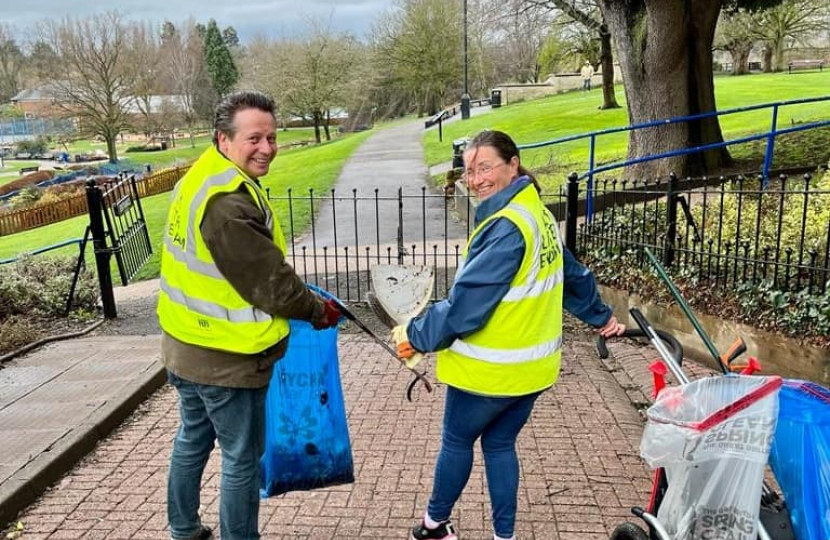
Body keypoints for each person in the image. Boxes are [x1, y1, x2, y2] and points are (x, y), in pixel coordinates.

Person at [392, 130, 625, 540]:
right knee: (499, 446)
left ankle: (433, 526)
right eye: (469, 171)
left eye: (485, 167)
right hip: (531, 372)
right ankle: (504, 536)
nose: (477, 179)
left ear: (513, 163)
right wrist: (601, 317)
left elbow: (465, 309)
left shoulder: (506, 228)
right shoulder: (535, 214)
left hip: (488, 373)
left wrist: (416, 333)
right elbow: (574, 275)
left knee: (456, 442)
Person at [156, 90, 341, 540]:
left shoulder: (204, 175)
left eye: (272, 137)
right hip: (227, 358)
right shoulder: (228, 205)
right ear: (224, 139)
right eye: (254, 138)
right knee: (241, 456)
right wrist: (317, 310)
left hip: (186, 346)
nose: (267, 148)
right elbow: (271, 285)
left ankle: (183, 530)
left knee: (192, 440)